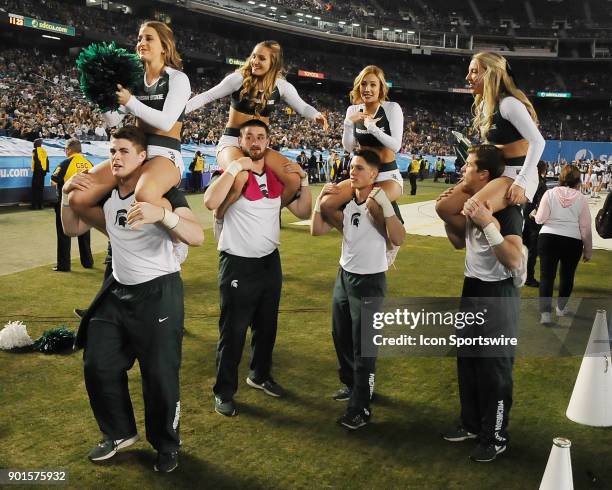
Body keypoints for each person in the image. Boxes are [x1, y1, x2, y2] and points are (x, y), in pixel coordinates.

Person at [61, 125, 204, 473]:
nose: (116, 157)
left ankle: (168, 444)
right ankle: (120, 432)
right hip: (118, 292)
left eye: (124, 151)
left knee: (158, 376)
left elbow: (197, 235)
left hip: (159, 294)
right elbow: (71, 227)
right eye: (112, 151)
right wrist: (67, 195)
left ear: (143, 157)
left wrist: (163, 215)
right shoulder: (108, 199)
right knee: (98, 363)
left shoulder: (164, 195)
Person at [203, 119, 312, 417]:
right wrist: (236, 168)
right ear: (240, 142)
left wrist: (303, 181)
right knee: (233, 332)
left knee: (267, 327)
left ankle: (260, 375)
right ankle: (223, 391)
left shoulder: (276, 179)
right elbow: (210, 201)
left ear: (267, 142)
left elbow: (303, 211)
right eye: (248, 136)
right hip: (237, 262)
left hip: (269, 262)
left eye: (260, 137)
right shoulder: (232, 173)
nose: (254, 141)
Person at [440, 144, 523, 463]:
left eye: (469, 166)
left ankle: (496, 435)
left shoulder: (508, 209)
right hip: (473, 287)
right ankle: (472, 424)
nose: (463, 170)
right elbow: (460, 241)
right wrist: (448, 216)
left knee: (494, 369)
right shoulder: (474, 205)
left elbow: (514, 259)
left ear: (485, 174)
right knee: (469, 361)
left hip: (498, 294)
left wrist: (488, 223)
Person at [311, 149, 405, 430]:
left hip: (369, 281)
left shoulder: (381, 203)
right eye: (352, 167)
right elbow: (316, 230)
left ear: (374, 175)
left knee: (364, 347)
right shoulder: (348, 202)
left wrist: (387, 206)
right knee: (340, 335)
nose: (353, 172)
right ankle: (352, 386)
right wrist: (320, 199)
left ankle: (361, 409)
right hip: (344, 276)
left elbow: (399, 238)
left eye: (360, 168)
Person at [70, 21, 191, 224]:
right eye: (139, 39)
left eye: (149, 38)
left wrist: (131, 101)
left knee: (144, 195)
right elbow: (113, 120)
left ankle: (181, 222)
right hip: (134, 153)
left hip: (165, 154)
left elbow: (166, 122)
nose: (141, 43)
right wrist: (103, 95)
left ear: (165, 46)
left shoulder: (178, 79)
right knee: (79, 196)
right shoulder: (134, 81)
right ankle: (117, 235)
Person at [187, 40, 328, 209]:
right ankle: (220, 214)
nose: (255, 61)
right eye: (254, 56)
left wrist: (316, 115)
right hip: (232, 142)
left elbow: (302, 105)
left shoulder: (282, 86)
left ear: (273, 63)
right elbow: (207, 96)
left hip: (258, 147)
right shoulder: (238, 79)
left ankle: (271, 212)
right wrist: (179, 112)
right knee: (241, 175)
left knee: (293, 179)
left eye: (262, 58)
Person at [436, 52, 545, 225]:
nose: (467, 77)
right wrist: (470, 167)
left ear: (491, 73)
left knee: (474, 209)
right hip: (496, 171)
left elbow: (538, 141)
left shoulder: (508, 103)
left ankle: (507, 247)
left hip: (517, 174)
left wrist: (521, 182)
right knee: (444, 207)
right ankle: (479, 244)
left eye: (474, 71)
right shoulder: (484, 105)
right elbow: (490, 147)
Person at [321, 65, 403, 221]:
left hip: (387, 175)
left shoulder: (392, 108)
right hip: (362, 175)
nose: (367, 88)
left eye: (373, 84)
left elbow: (396, 146)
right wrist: (347, 123)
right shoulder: (353, 110)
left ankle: (392, 240)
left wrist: (373, 129)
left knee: (373, 204)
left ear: (381, 88)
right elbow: (349, 147)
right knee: (327, 204)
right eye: (364, 84)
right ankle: (351, 234)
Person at [535, 164, 592, 324]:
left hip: (548, 237)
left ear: (560, 177)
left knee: (547, 276)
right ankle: (561, 309)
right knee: (567, 276)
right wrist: (588, 251)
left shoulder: (549, 193)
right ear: (578, 180)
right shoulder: (581, 198)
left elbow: (540, 219)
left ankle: (545, 314)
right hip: (572, 240)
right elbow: (585, 227)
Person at [50, 138, 94, 272]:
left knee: (64, 233)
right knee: (85, 233)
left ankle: (64, 265)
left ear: (69, 150)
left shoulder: (65, 163)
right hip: (85, 203)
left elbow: (54, 180)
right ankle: (87, 262)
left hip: (67, 204)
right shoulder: (89, 163)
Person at [522, 161, 548, 287]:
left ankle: (519, 274)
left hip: (523, 218)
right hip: (534, 222)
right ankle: (529, 277)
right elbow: (541, 205)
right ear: (543, 170)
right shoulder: (541, 185)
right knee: (532, 251)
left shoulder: (528, 182)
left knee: (522, 248)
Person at [31, 138, 49, 210]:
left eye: (34, 143)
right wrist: (45, 171)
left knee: (35, 188)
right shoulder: (44, 151)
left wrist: (36, 170)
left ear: (36, 144)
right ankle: (40, 205)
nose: (33, 144)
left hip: (37, 172)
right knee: (41, 189)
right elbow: (47, 161)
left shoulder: (35, 151)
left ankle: (34, 205)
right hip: (42, 173)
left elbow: (36, 161)